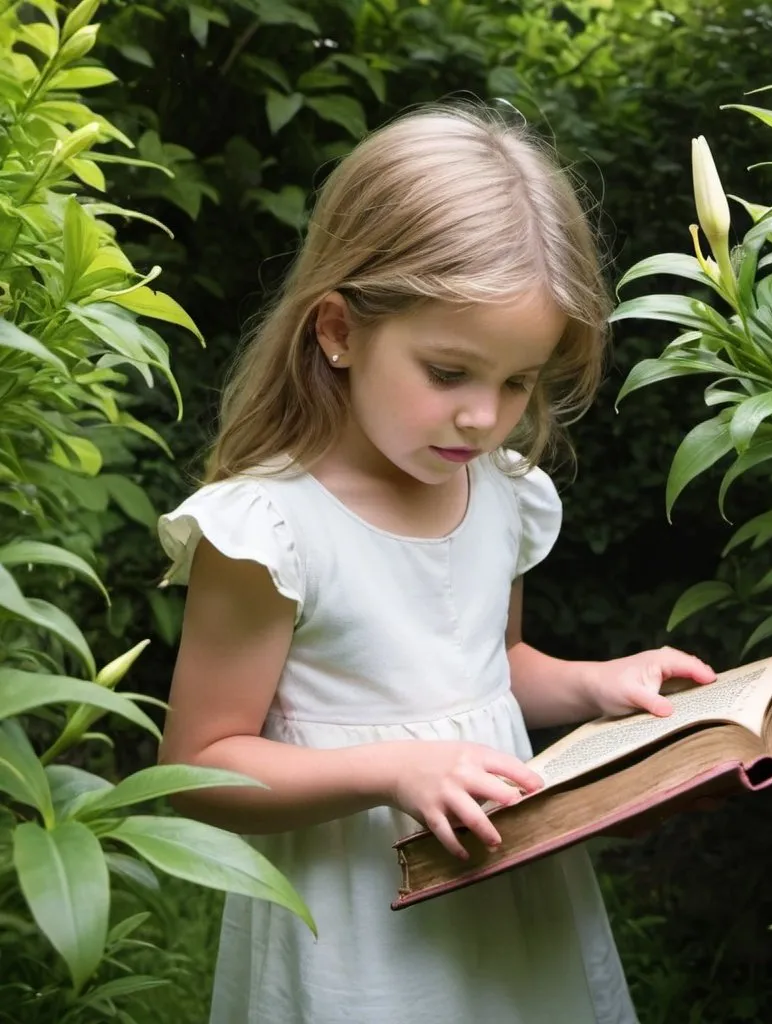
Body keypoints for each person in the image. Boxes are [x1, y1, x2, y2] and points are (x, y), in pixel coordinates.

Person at [157, 103, 716, 1024]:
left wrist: (597, 686)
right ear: (338, 330)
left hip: (503, 880)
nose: (484, 417)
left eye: (517, 382)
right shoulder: (269, 531)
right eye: (449, 373)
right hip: (354, 916)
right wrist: (393, 772)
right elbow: (203, 767)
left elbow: (490, 670)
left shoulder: (498, 491)